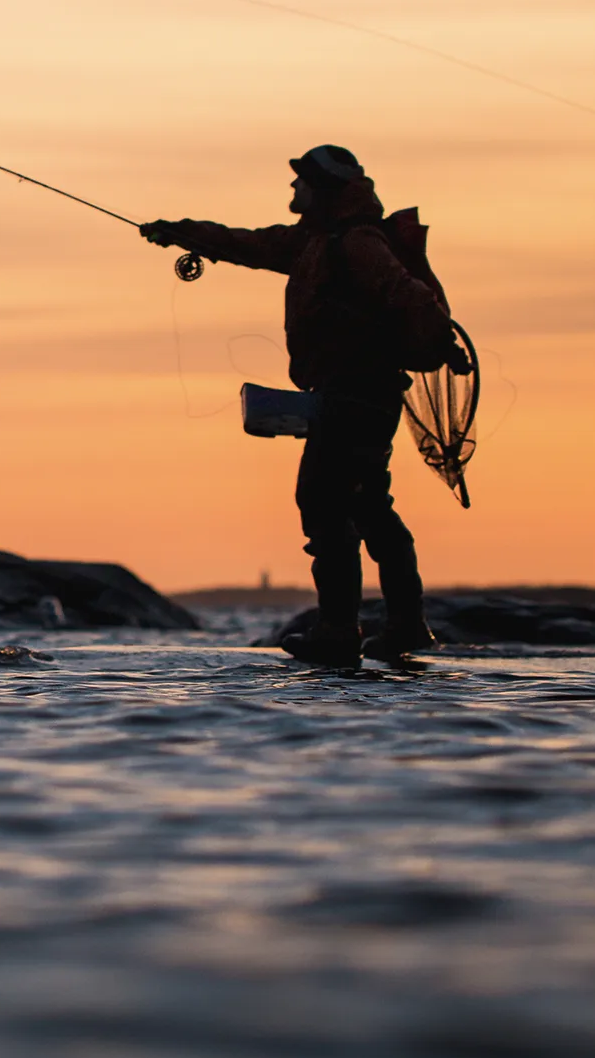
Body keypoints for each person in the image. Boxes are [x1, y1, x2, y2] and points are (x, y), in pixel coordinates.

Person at [141, 144, 457, 669]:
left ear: (323, 189)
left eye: (300, 183)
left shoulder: (356, 244)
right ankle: (403, 626)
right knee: (368, 507)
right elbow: (246, 243)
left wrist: (438, 340)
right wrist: (179, 230)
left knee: (325, 501)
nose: (292, 191)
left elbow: (410, 298)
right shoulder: (315, 242)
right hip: (350, 395)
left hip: (360, 394)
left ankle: (340, 631)